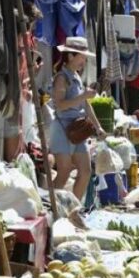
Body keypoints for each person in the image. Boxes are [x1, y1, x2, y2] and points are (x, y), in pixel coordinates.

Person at [50, 37, 106, 204]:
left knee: (86, 171)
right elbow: (60, 105)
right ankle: (52, 208)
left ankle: (73, 209)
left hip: (78, 129)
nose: (84, 60)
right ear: (70, 56)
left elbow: (86, 105)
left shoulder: (76, 76)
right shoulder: (61, 78)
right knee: (64, 172)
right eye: (81, 56)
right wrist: (83, 96)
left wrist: (98, 127)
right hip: (62, 129)